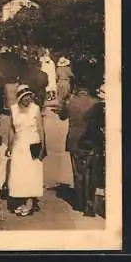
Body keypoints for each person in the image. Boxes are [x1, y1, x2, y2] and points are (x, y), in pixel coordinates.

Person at [56, 76, 99, 216]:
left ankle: (79, 203)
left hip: (74, 140)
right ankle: (89, 204)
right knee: (90, 173)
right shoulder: (96, 103)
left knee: (78, 173)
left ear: (78, 88)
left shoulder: (71, 102)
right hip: (90, 141)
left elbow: (62, 116)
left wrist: (64, 102)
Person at [6, 84, 46, 217]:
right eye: (25, 97)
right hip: (18, 146)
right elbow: (11, 130)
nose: (28, 99)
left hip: (33, 145)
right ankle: (23, 201)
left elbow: (41, 129)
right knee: (19, 175)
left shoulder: (35, 109)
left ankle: (29, 204)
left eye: (29, 96)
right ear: (20, 98)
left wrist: (43, 147)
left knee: (31, 174)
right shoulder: (13, 110)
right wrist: (9, 147)